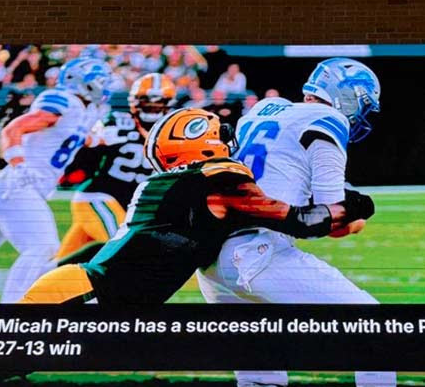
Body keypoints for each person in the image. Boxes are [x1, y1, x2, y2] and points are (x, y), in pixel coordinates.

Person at [19, 108, 374, 306]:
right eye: (218, 133)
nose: (226, 139)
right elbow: (303, 222)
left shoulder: (163, 184)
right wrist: (357, 204)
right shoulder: (218, 182)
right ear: (200, 144)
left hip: (79, 286)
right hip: (87, 297)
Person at [195, 57, 397, 387]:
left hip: (210, 259)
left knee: (259, 386)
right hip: (257, 253)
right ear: (346, 97)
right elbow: (331, 219)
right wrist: (356, 220)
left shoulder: (265, 108)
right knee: (373, 326)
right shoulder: (328, 118)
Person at [0, 58, 115, 302]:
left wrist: (104, 137)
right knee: (43, 247)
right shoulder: (64, 101)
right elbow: (12, 130)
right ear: (82, 82)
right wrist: (19, 164)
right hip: (18, 186)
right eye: (100, 81)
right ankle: (13, 311)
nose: (104, 87)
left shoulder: (85, 111)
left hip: (11, 191)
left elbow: (76, 139)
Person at [54, 73, 178, 263]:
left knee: (58, 266)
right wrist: (95, 141)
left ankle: (37, 283)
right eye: (146, 101)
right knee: (126, 249)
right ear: (134, 101)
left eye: (158, 102)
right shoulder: (116, 122)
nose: (152, 106)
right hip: (98, 198)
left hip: (126, 208)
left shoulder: (174, 132)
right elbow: (85, 153)